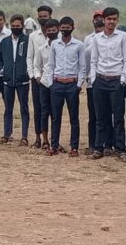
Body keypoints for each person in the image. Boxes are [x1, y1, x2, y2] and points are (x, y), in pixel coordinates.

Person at [90, 7, 126, 162]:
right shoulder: (97, 38)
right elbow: (94, 59)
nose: (111, 22)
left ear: (117, 20)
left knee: (118, 117)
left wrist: (122, 80)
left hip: (116, 81)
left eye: (114, 19)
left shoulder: (123, 37)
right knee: (101, 116)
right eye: (109, 19)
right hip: (100, 80)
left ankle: (120, 149)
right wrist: (93, 79)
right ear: (104, 20)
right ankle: (99, 148)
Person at [47, 17, 86, 156]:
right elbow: (51, 65)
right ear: (59, 28)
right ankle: (54, 146)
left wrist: (79, 84)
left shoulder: (79, 45)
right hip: (57, 84)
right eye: (62, 27)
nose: (65, 30)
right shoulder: (54, 44)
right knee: (56, 117)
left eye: (67, 27)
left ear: (73, 27)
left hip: (71, 85)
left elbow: (82, 67)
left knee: (73, 118)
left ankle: (74, 148)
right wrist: (51, 83)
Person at [0, 14, 31, 145]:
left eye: (18, 26)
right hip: (8, 81)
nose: (16, 28)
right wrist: (2, 70)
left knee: (24, 109)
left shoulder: (27, 40)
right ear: (10, 26)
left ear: (23, 26)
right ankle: (6, 134)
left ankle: (24, 136)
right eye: (13, 26)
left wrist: (28, 72)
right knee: (8, 109)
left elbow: (32, 57)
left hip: (23, 81)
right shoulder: (5, 42)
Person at [31, 19, 59, 148]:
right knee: (44, 112)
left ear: (58, 30)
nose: (51, 32)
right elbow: (36, 65)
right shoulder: (42, 49)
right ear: (46, 32)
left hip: (58, 83)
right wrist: (37, 77)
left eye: (54, 30)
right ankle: (45, 140)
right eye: (49, 30)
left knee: (55, 113)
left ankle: (55, 141)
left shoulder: (61, 47)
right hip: (44, 83)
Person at [28, 15, 51, 148]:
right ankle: (38, 138)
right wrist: (33, 76)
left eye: (45, 16)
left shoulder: (56, 35)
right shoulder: (33, 36)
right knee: (38, 109)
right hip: (37, 79)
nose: (43, 18)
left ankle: (52, 140)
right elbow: (29, 57)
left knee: (52, 110)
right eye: (40, 16)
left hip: (53, 80)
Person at [84, 11, 105, 153]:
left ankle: (107, 144)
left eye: (100, 18)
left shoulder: (113, 38)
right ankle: (93, 144)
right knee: (93, 115)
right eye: (96, 19)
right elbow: (86, 60)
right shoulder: (88, 39)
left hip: (107, 82)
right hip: (92, 83)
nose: (98, 21)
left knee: (106, 115)